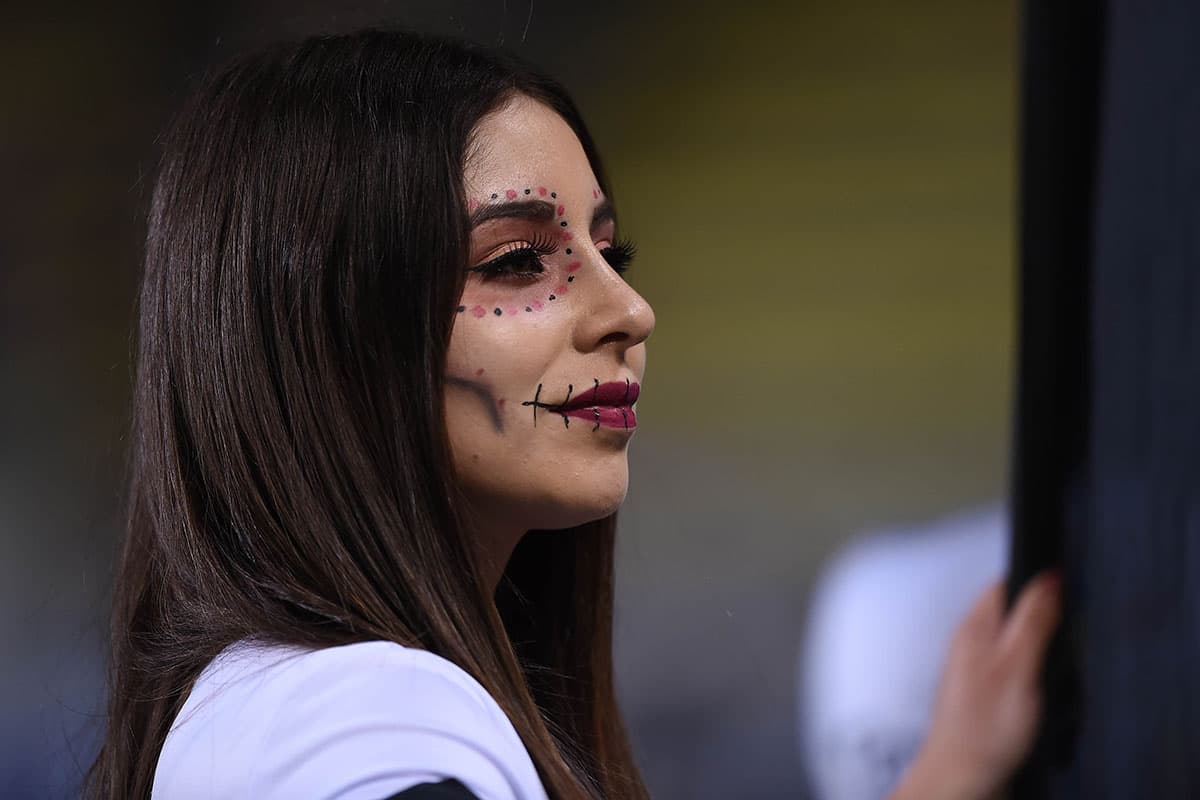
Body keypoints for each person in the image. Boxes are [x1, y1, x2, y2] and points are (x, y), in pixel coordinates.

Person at [87, 29, 1061, 800]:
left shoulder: (267, 705)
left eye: (611, 254)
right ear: (330, 330)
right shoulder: (360, 725)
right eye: (516, 261)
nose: (629, 312)